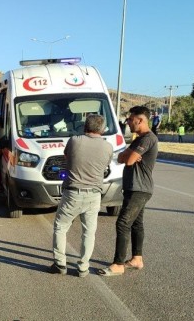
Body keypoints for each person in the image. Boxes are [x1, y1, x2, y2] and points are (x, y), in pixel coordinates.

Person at [49, 114, 113, 277]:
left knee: (61, 227)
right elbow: (106, 165)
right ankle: (83, 267)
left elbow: (66, 156)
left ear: (85, 126)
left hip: (73, 193)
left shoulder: (75, 140)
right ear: (102, 129)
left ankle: (60, 264)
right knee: (89, 232)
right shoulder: (107, 147)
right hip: (94, 195)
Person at [99, 105, 159, 276]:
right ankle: (136, 259)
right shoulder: (138, 139)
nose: (128, 122)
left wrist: (129, 156)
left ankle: (118, 264)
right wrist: (128, 155)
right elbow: (121, 157)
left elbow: (130, 160)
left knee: (123, 223)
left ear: (140, 120)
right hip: (135, 187)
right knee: (136, 224)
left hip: (139, 188)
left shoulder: (147, 139)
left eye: (130, 119)